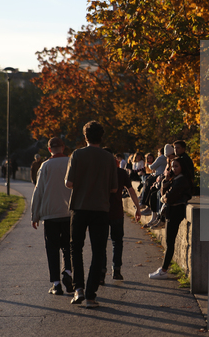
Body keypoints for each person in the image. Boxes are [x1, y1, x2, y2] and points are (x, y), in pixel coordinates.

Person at [65, 121, 118, 308]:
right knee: (98, 252)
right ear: (101, 137)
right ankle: (90, 296)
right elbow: (113, 188)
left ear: (85, 136)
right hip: (101, 209)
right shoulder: (109, 158)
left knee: (76, 248)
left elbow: (68, 183)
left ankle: (77, 288)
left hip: (79, 207)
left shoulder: (77, 155)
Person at [30, 137, 73, 296]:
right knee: (69, 246)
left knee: (52, 248)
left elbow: (38, 191)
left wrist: (35, 215)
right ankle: (67, 272)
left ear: (49, 149)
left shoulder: (45, 166)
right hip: (69, 212)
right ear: (63, 147)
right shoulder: (71, 162)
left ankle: (56, 284)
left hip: (50, 213)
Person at [101, 148, 142, 283]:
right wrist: (137, 207)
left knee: (101, 243)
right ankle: (116, 270)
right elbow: (131, 191)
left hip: (101, 212)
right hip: (117, 212)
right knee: (117, 242)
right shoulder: (121, 173)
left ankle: (101, 272)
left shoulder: (99, 172)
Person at [149, 157, 192, 279]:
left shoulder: (181, 180)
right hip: (172, 211)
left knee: (170, 242)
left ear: (182, 167)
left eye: (176, 166)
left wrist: (163, 198)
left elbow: (169, 197)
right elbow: (165, 194)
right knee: (169, 242)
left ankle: (163, 270)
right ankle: (164, 268)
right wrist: (165, 181)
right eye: (172, 166)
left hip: (175, 211)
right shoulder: (176, 179)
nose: (174, 168)